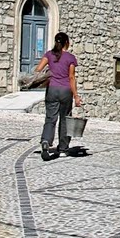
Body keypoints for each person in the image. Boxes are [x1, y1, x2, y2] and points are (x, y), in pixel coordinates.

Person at [33, 32, 81, 161]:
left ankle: (46, 141)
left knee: (50, 118)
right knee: (65, 119)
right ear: (67, 42)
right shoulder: (70, 58)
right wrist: (76, 96)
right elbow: (71, 77)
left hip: (52, 90)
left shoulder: (49, 54)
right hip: (65, 91)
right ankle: (64, 148)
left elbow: (38, 70)